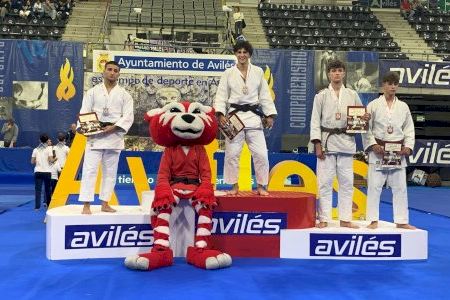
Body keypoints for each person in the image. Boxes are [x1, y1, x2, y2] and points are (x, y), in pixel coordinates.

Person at [310, 59, 370, 229]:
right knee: (324, 182)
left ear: (344, 73)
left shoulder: (352, 94)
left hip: (346, 142)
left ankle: (345, 218)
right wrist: (317, 144)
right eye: (333, 71)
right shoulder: (320, 95)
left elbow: (360, 116)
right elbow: (315, 121)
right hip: (327, 142)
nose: (336, 73)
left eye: (339, 70)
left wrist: (364, 118)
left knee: (346, 182)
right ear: (329, 74)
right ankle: (324, 218)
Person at [214, 41, 277, 196]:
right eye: (239, 52)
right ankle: (234, 186)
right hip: (235, 117)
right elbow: (221, 95)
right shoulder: (228, 73)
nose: (242, 55)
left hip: (254, 117)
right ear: (235, 54)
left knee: (261, 153)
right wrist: (220, 114)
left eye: (245, 52)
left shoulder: (257, 72)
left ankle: (262, 185)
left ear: (249, 54)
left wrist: (269, 114)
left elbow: (264, 95)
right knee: (232, 154)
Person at [78, 61, 134, 214]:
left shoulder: (125, 95)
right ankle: (86, 205)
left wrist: (114, 127)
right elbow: (84, 111)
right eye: (109, 69)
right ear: (103, 72)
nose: (112, 72)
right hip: (95, 135)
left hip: (114, 135)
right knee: (89, 170)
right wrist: (85, 128)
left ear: (118, 74)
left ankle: (105, 203)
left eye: (115, 70)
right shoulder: (92, 92)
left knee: (110, 172)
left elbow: (129, 116)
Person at [363, 71, 416, 230]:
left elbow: (409, 129)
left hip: (397, 152)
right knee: (374, 187)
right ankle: (372, 220)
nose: (393, 87)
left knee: (400, 188)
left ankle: (401, 220)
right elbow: (367, 128)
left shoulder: (403, 106)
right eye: (389, 83)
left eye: (395, 84)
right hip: (378, 151)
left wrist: (408, 146)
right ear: (383, 85)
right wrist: (373, 145)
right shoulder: (373, 105)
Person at [31, 134, 55, 210]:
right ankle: (48, 205)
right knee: (48, 189)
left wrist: (37, 161)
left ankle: (37, 207)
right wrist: (55, 159)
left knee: (38, 190)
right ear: (47, 140)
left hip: (38, 171)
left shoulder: (35, 149)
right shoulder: (49, 149)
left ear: (39, 140)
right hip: (47, 172)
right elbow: (51, 160)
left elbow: (32, 162)